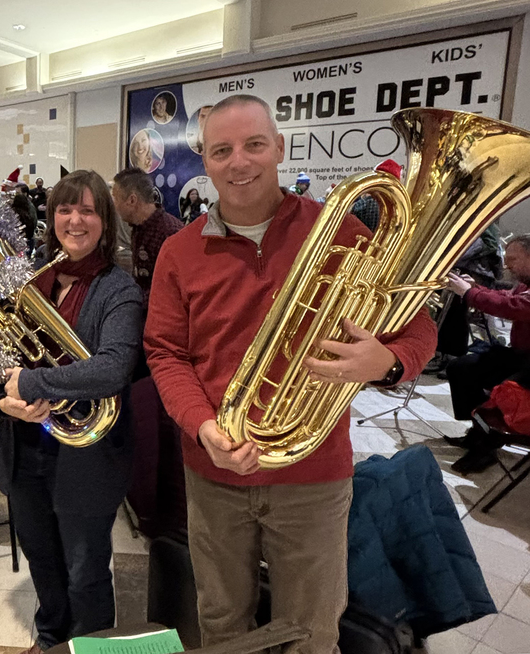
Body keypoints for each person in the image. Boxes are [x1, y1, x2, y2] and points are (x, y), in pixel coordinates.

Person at [144, 94, 437, 653]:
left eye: (255, 144)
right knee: (222, 620)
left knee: (312, 627)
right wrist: (203, 426)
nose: (240, 162)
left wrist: (387, 362)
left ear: (279, 148)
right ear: (205, 160)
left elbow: (417, 326)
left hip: (314, 474)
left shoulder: (342, 230)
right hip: (214, 473)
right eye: (222, 150)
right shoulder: (178, 253)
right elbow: (165, 353)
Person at [0, 169, 142, 654]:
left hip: (86, 457)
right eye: (64, 208)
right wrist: (6, 401)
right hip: (25, 449)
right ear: (50, 216)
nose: (75, 220)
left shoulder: (118, 289)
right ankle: (52, 637)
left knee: (84, 567)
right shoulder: (29, 281)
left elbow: (113, 368)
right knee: (41, 556)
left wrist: (33, 382)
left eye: (87, 210)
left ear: (105, 219)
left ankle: (91, 646)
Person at [444, 234, 530, 473]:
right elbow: (510, 297)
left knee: (502, 390)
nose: (506, 265)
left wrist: (469, 294)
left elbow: (514, 307)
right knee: (461, 368)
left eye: (513, 259)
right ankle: (478, 433)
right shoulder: (526, 281)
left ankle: (486, 446)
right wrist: (475, 288)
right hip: (522, 355)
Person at [111, 167, 182, 311]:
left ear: (132, 200)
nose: (114, 205)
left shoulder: (170, 233)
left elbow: (172, 290)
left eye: (116, 198)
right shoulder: (138, 229)